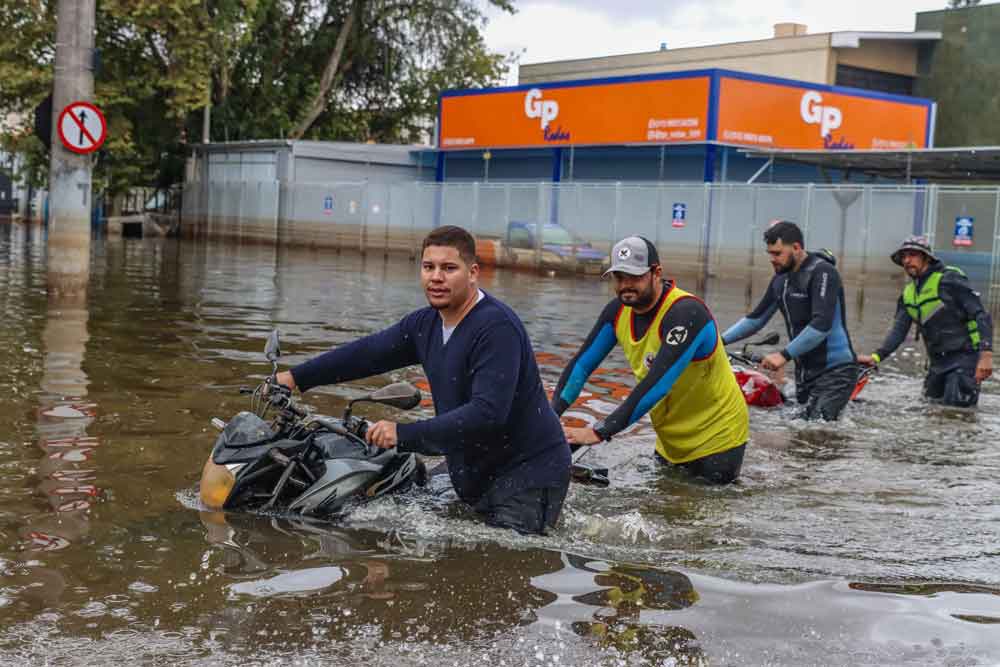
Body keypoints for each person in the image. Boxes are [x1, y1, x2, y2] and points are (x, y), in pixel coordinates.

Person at [274, 225, 571, 535]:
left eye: (449, 268)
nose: (436, 277)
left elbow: (488, 413)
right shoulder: (424, 325)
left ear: (473, 273)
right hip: (473, 469)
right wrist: (296, 377)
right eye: (429, 267)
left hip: (528, 472)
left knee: (495, 565)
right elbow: (367, 353)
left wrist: (403, 434)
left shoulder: (496, 328)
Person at [552, 236, 749, 484]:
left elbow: (657, 384)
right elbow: (581, 366)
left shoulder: (686, 313)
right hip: (671, 440)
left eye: (635, 277)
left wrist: (598, 432)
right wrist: (549, 417)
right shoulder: (616, 312)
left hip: (719, 438)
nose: (625, 285)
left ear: (657, 272)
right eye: (619, 277)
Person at [721, 221, 859, 421]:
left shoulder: (823, 272)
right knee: (797, 433)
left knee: (819, 432)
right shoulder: (780, 280)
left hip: (836, 371)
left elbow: (821, 325)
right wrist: (717, 341)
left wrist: (784, 355)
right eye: (770, 254)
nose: (772, 259)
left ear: (796, 247)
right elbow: (755, 320)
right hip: (805, 373)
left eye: (777, 253)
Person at [857, 235, 993, 407]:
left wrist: (986, 356)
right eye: (903, 257)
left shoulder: (949, 280)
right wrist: (876, 357)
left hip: (965, 359)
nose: (907, 260)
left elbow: (981, 314)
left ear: (926, 258)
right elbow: (898, 332)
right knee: (930, 410)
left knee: (957, 416)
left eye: (913, 255)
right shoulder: (908, 294)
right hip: (937, 364)